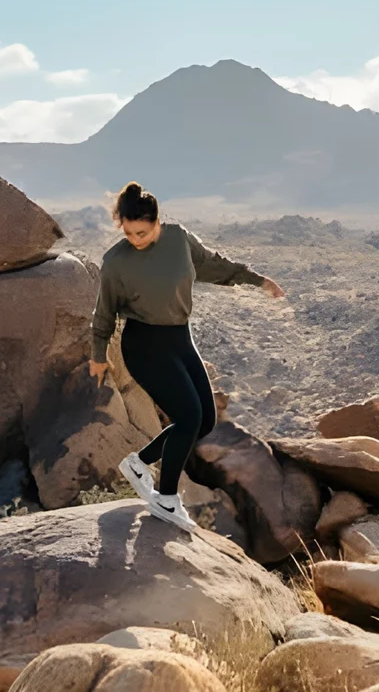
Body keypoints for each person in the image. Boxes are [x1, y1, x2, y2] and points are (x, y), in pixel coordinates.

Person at [88, 181, 283, 530]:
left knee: (204, 421)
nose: (137, 240)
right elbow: (103, 314)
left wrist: (257, 280)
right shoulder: (115, 262)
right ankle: (166, 499)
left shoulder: (179, 240)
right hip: (144, 344)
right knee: (188, 416)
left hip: (179, 338)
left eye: (143, 232)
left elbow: (213, 265)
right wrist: (98, 354)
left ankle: (138, 462)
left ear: (157, 221)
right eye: (130, 233)